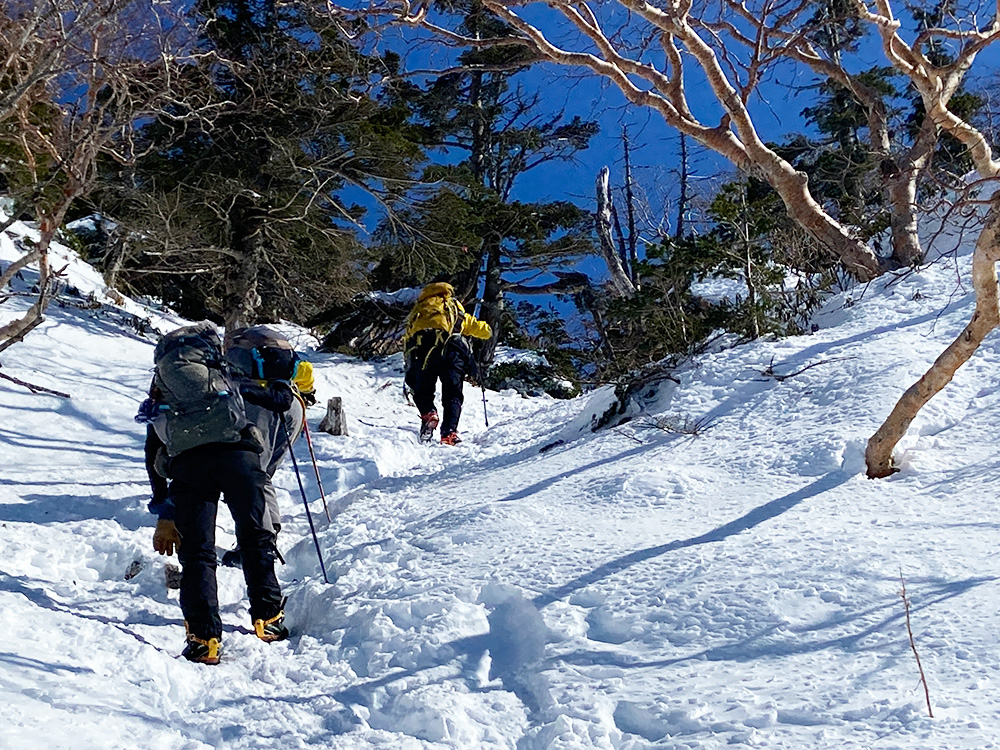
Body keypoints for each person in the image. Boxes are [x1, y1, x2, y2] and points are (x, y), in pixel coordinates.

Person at [138, 322, 290, 665]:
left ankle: (204, 638)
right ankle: (269, 618)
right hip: (240, 459)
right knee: (254, 537)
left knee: (197, 553)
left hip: (189, 468)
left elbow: (152, 451)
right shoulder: (222, 373)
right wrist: (280, 382)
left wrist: (164, 508)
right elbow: (279, 400)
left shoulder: (161, 390)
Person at [218, 326, 316, 568]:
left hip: (258, 405)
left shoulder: (238, 347)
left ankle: (257, 543)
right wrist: (307, 393)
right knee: (262, 475)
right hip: (291, 405)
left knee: (251, 477)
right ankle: (268, 533)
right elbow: (305, 372)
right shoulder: (280, 352)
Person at [403, 281, 492, 445]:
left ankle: (429, 412)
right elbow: (475, 326)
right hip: (453, 352)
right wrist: (487, 330)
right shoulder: (452, 306)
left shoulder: (421, 309)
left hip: (424, 353)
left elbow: (409, 336)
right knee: (453, 393)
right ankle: (449, 433)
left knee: (423, 389)